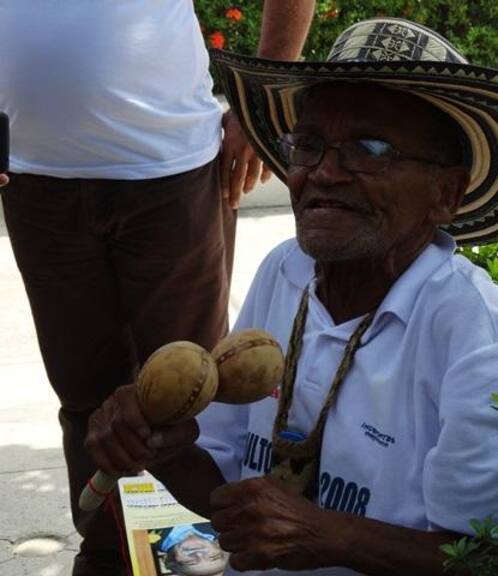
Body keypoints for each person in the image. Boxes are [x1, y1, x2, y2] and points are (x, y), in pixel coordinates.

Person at [85, 17, 498, 576]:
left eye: (370, 149)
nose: (325, 173)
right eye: (308, 146)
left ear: (446, 193)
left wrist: (333, 538)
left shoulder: (484, 345)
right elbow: (224, 491)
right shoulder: (285, 272)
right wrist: (157, 446)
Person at [0, 2, 315, 575]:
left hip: (168, 170)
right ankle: (108, 554)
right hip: (34, 175)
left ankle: (203, 558)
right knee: (84, 398)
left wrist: (258, 103)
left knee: (192, 390)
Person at [158, 525, 227, 576]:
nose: (199, 554)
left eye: (190, 562)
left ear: (168, 558)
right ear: (219, 546)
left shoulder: (151, 542)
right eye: (213, 557)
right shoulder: (221, 524)